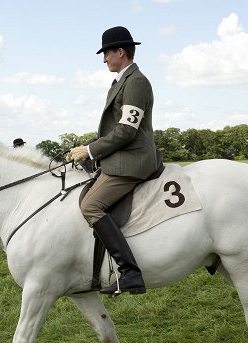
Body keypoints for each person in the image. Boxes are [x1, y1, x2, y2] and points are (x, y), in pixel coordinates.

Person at [66, 26, 163, 296]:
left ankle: (130, 272)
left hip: (133, 160)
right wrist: (87, 148)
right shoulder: (121, 81)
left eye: (107, 53)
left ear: (120, 52)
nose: (104, 59)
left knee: (91, 206)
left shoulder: (136, 81)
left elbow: (127, 131)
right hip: (119, 156)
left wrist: (91, 150)